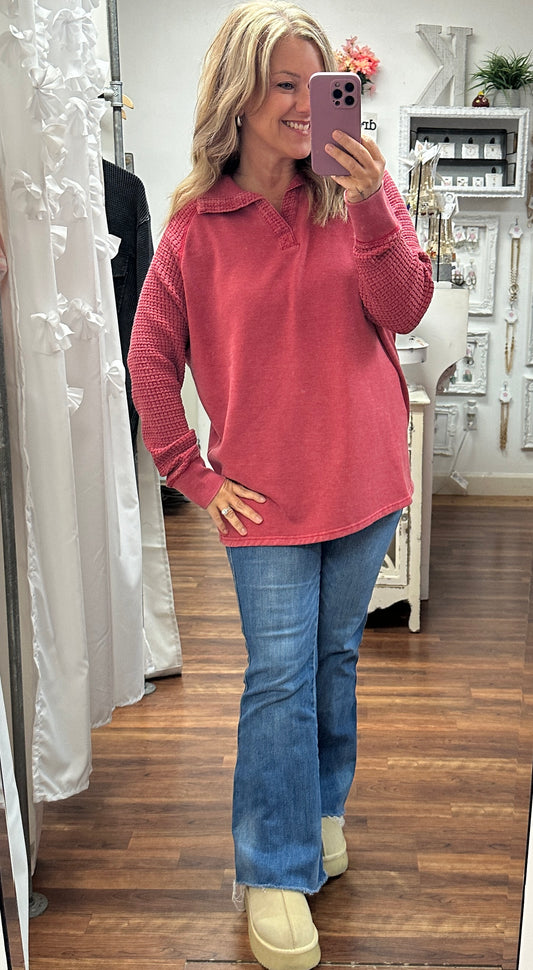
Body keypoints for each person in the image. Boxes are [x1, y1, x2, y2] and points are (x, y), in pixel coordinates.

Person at [128, 3, 434, 968]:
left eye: (323, 84)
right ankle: (271, 862)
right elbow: (148, 356)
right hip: (261, 499)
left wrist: (378, 199)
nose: (309, 106)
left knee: (335, 660)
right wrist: (190, 472)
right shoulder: (191, 227)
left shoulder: (352, 203)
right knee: (277, 680)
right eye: (285, 84)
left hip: (367, 474)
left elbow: (407, 305)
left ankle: (321, 810)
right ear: (238, 95)